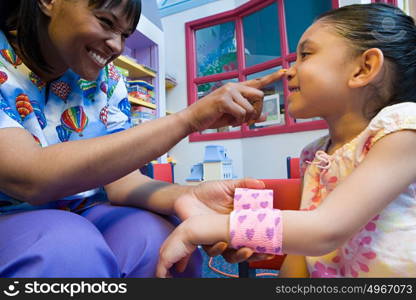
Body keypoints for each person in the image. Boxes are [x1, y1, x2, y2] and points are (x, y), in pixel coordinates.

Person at [0, 0, 285, 277]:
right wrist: (190, 119)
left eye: (124, 35)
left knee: (159, 239)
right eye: (106, 22)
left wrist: (185, 196)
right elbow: (30, 177)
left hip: (84, 211)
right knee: (67, 247)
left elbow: (121, 179)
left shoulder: (108, 79)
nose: (116, 46)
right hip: (16, 217)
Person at [156, 3, 416, 278]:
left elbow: (325, 229)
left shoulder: (402, 130)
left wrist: (201, 227)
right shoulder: (314, 155)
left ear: (364, 68)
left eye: (306, 54)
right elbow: (302, 251)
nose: (288, 71)